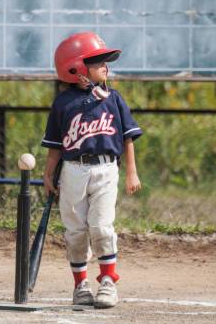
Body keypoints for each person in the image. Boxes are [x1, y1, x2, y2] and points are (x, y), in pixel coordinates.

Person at [41, 32, 142, 308]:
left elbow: (127, 137)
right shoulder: (63, 104)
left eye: (104, 62)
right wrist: (48, 174)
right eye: (98, 62)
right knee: (75, 231)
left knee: (101, 226)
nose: (105, 67)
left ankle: (108, 281)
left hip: (107, 169)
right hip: (73, 171)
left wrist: (132, 172)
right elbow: (55, 146)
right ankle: (80, 286)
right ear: (76, 69)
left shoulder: (113, 98)